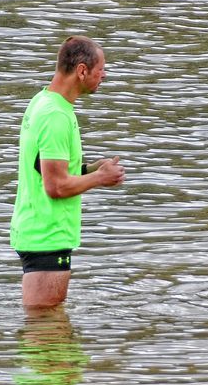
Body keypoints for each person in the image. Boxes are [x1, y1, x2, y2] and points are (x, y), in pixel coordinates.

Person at [10, 35, 126, 310]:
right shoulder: (56, 116)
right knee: (46, 330)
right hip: (46, 235)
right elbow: (56, 186)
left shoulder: (43, 101)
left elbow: (44, 170)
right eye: (101, 70)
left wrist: (88, 169)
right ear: (82, 70)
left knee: (50, 334)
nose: (104, 76)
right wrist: (100, 178)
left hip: (37, 230)